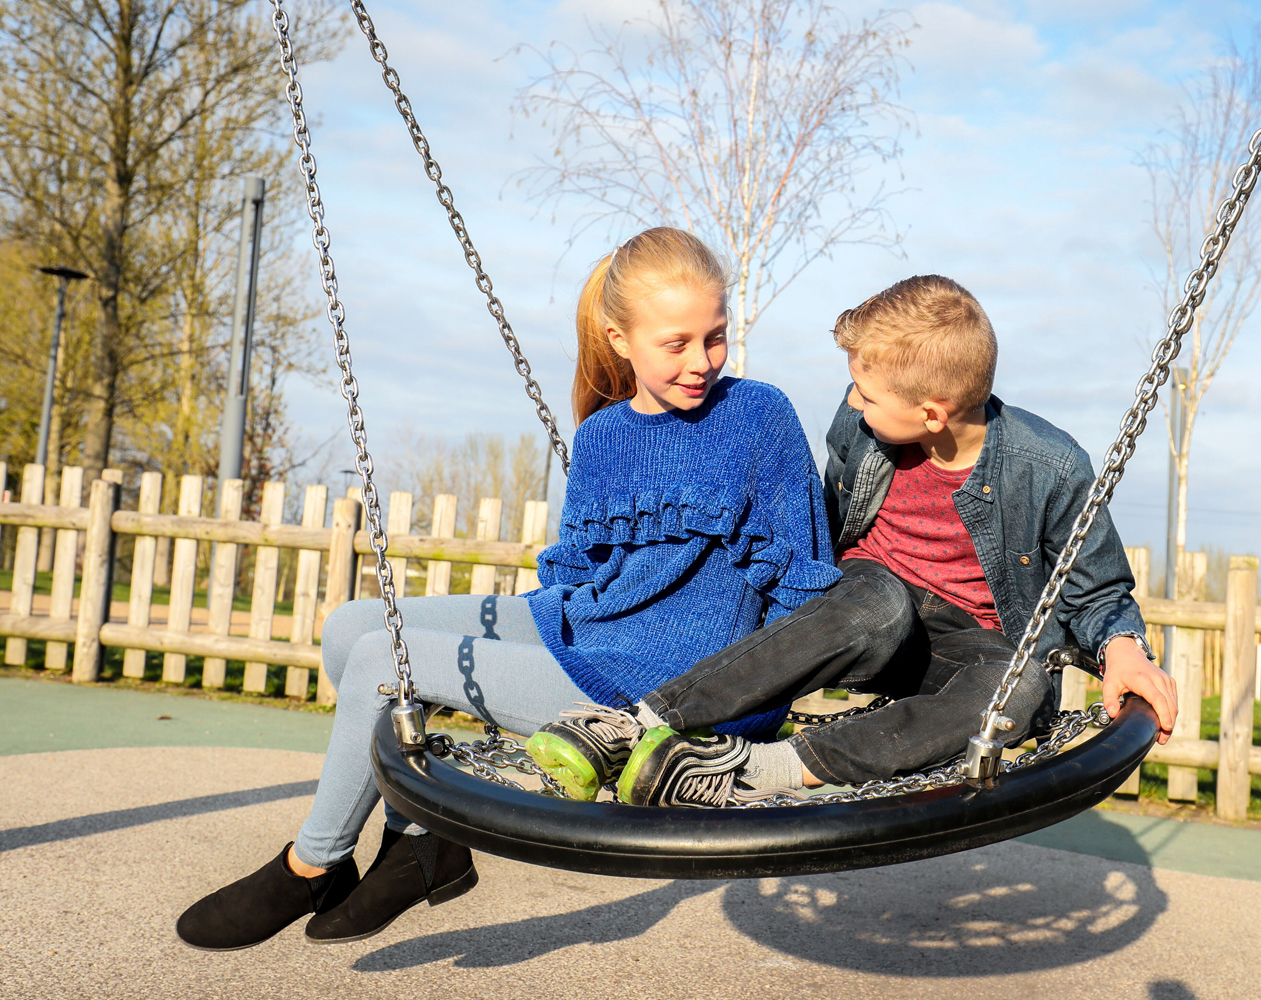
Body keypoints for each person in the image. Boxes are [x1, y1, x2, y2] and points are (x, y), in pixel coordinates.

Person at [174, 227, 840, 951]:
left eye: (714, 337)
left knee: (377, 662)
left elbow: (804, 584)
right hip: (583, 627)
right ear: (620, 339)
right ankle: (420, 836)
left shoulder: (758, 416)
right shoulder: (604, 435)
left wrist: (742, 715)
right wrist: (554, 615)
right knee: (354, 625)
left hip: (658, 684)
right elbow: (583, 570)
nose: (702, 362)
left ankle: (313, 863)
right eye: (675, 343)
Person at [527, 274, 1178, 807]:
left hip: (965, 648)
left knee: (1021, 687)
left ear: (932, 412)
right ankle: (636, 724)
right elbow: (814, 532)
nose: (853, 404)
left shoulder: (1052, 466)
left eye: (867, 395)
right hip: (859, 613)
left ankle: (748, 771)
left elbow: (1096, 587)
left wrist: (1123, 650)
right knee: (879, 596)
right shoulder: (863, 428)